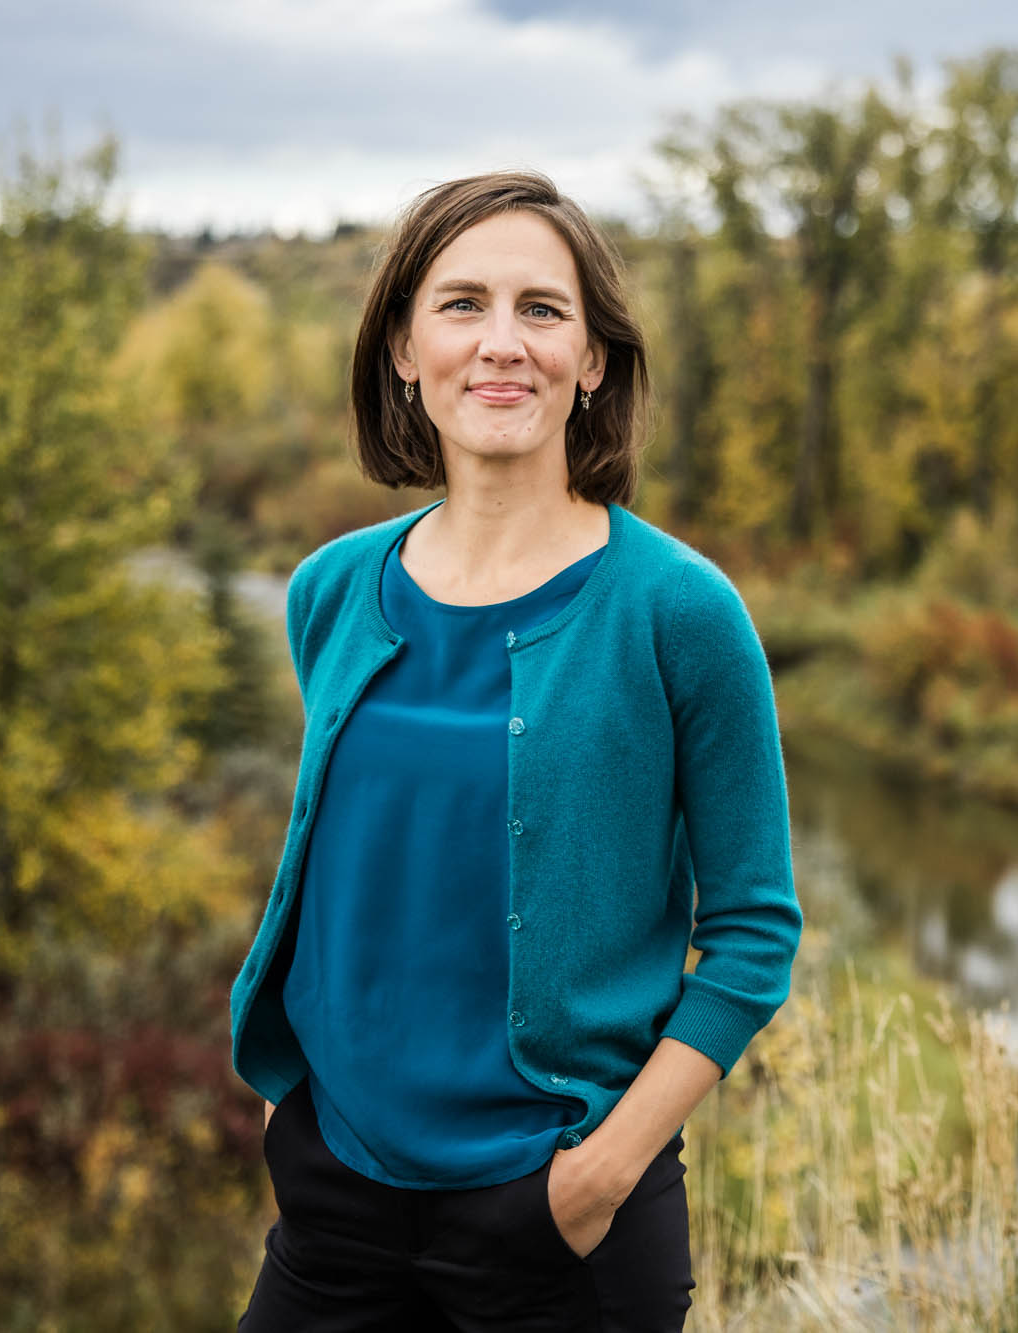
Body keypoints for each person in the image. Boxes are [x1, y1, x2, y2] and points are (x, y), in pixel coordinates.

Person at [229, 169, 803, 1331]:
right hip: (334, 1200)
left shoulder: (678, 613)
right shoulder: (331, 592)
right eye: (461, 305)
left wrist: (593, 1180)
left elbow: (753, 932)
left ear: (592, 360)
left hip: (557, 1221)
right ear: (401, 347)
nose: (502, 345)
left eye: (542, 310)